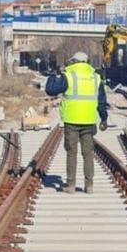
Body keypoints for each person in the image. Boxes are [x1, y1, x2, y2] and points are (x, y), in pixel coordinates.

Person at [45, 51, 109, 193]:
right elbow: (102, 102)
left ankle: (71, 185)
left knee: (71, 153)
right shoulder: (95, 77)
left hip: (72, 120)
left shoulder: (69, 75)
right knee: (88, 153)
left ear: (73, 61)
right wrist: (104, 118)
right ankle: (89, 185)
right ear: (86, 62)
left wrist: (52, 76)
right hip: (89, 120)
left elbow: (50, 90)